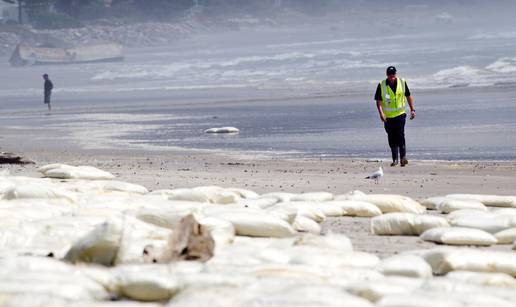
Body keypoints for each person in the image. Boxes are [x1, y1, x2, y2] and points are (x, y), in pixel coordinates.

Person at [374, 66, 416, 167]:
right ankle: (395, 159)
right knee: (391, 137)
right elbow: (378, 102)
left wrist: (412, 109)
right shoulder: (381, 85)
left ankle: (403, 158)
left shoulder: (402, 82)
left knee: (400, 134)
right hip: (388, 117)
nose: (392, 76)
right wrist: (381, 113)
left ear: (396, 74)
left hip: (400, 114)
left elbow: (408, 96)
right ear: (387, 75)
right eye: (389, 75)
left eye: (393, 74)